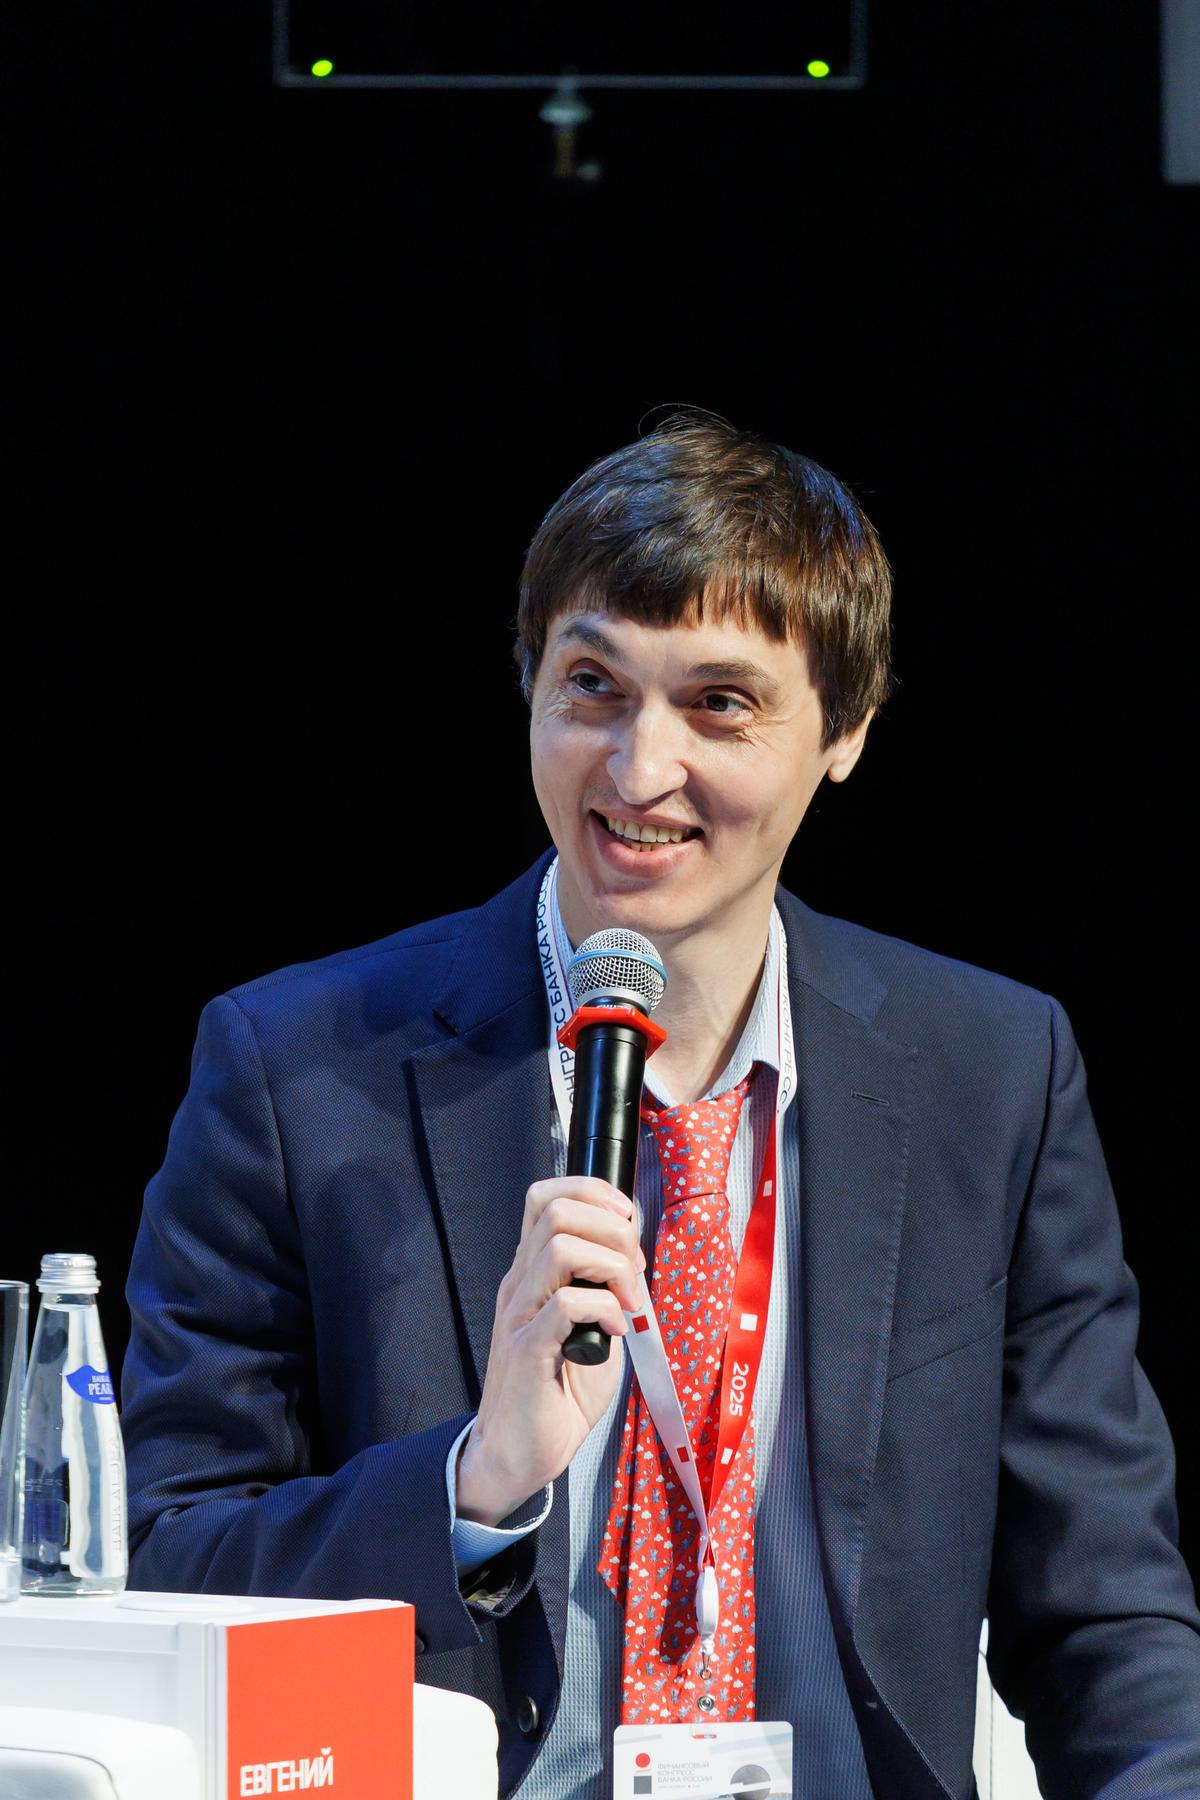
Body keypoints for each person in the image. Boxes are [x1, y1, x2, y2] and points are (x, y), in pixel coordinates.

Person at [122, 413, 1200, 1799]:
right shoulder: (297, 1069)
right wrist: (473, 1481)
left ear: (847, 731)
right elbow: (168, 1561)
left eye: (720, 704)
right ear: (529, 684)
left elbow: (1105, 1611)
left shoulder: (989, 1074)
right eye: (593, 685)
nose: (637, 774)